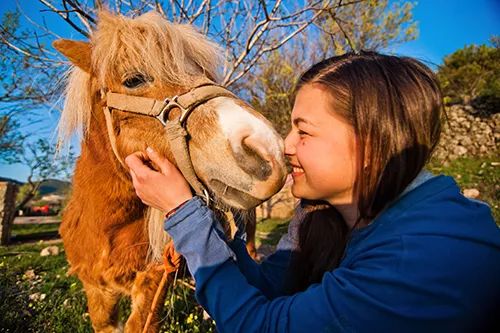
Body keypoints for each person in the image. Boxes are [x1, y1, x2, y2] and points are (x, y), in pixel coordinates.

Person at [125, 52, 500, 332]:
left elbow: (261, 326)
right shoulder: (327, 214)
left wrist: (181, 213)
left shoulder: (418, 262)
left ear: (371, 144)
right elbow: (271, 288)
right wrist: (211, 233)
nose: (286, 145)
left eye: (304, 132)